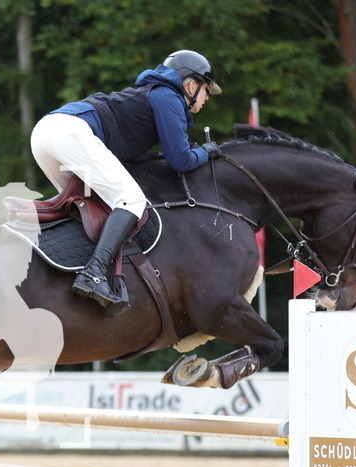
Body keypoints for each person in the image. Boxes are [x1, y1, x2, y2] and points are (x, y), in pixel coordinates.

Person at [30, 49, 222, 314]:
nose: (206, 98)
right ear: (191, 85)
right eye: (206, 91)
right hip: (69, 132)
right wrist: (208, 151)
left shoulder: (157, 94)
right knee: (131, 201)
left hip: (46, 134)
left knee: (92, 207)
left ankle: (73, 270)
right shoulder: (168, 96)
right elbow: (181, 160)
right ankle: (94, 273)